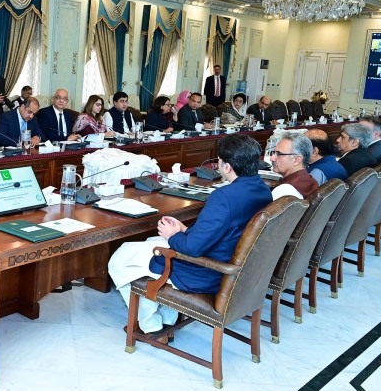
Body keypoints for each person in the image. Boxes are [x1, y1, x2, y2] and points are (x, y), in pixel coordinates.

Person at [107, 134, 272, 332]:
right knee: (151, 240)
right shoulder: (263, 189)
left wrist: (172, 235)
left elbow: (192, 248)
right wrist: (184, 229)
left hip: (207, 272)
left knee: (120, 258)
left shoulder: (224, 197)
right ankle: (168, 315)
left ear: (227, 166)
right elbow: (229, 230)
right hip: (232, 263)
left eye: (219, 160)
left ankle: (149, 325)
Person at [269, 132, 319, 199]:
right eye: (273, 153)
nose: (272, 158)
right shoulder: (312, 181)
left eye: (279, 154)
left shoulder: (283, 192)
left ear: (297, 160)